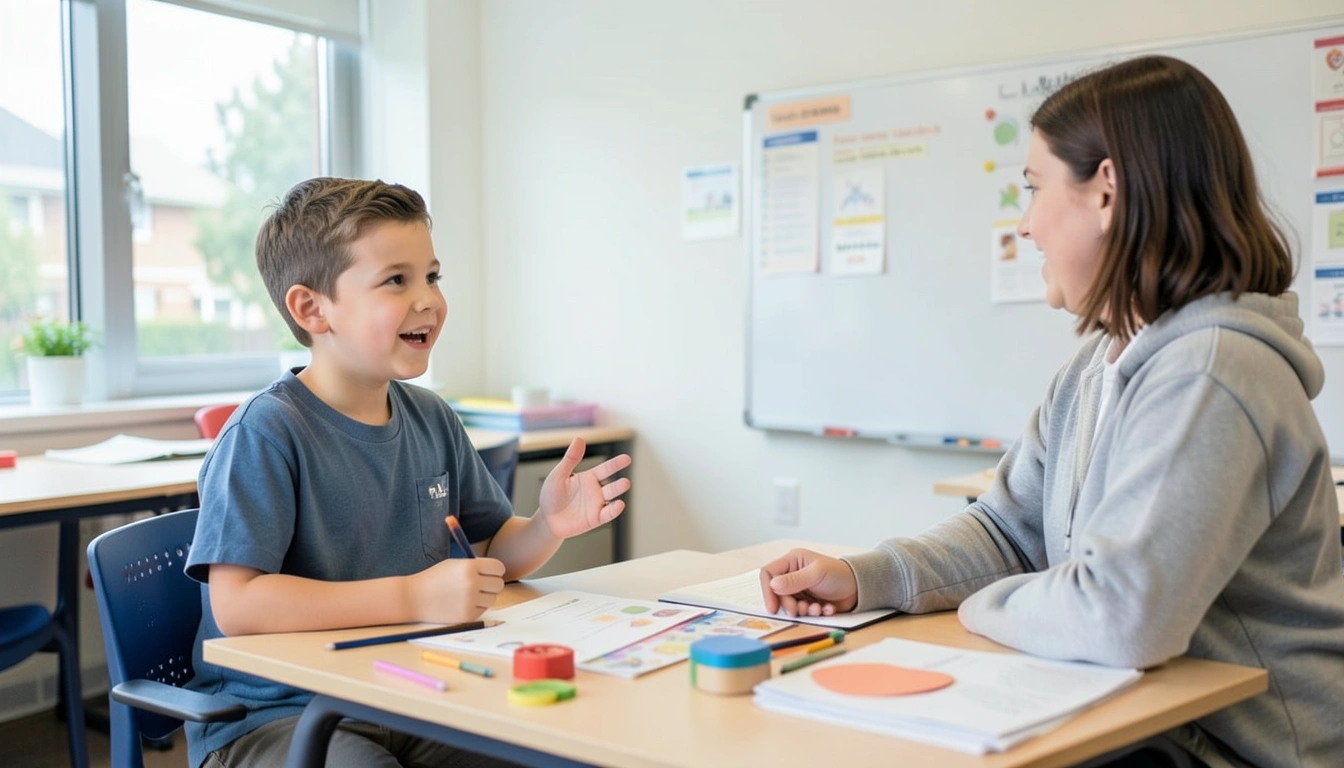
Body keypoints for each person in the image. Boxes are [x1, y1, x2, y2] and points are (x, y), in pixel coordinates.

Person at [759, 56, 1344, 768]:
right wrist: (869, 577)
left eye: (1034, 189)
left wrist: (981, 605)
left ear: (1107, 191)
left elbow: (1120, 617)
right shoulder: (1099, 366)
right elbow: (1010, 530)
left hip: (1239, 749)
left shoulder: (1213, 371)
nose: (1026, 225)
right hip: (1144, 719)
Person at [183, 177, 631, 768]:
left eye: (432, 276)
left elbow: (495, 547)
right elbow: (238, 606)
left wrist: (547, 525)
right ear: (311, 308)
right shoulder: (265, 433)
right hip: (277, 714)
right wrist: (414, 594)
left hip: (407, 688)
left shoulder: (431, 416)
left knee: (542, 751)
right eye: (397, 279)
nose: (429, 300)